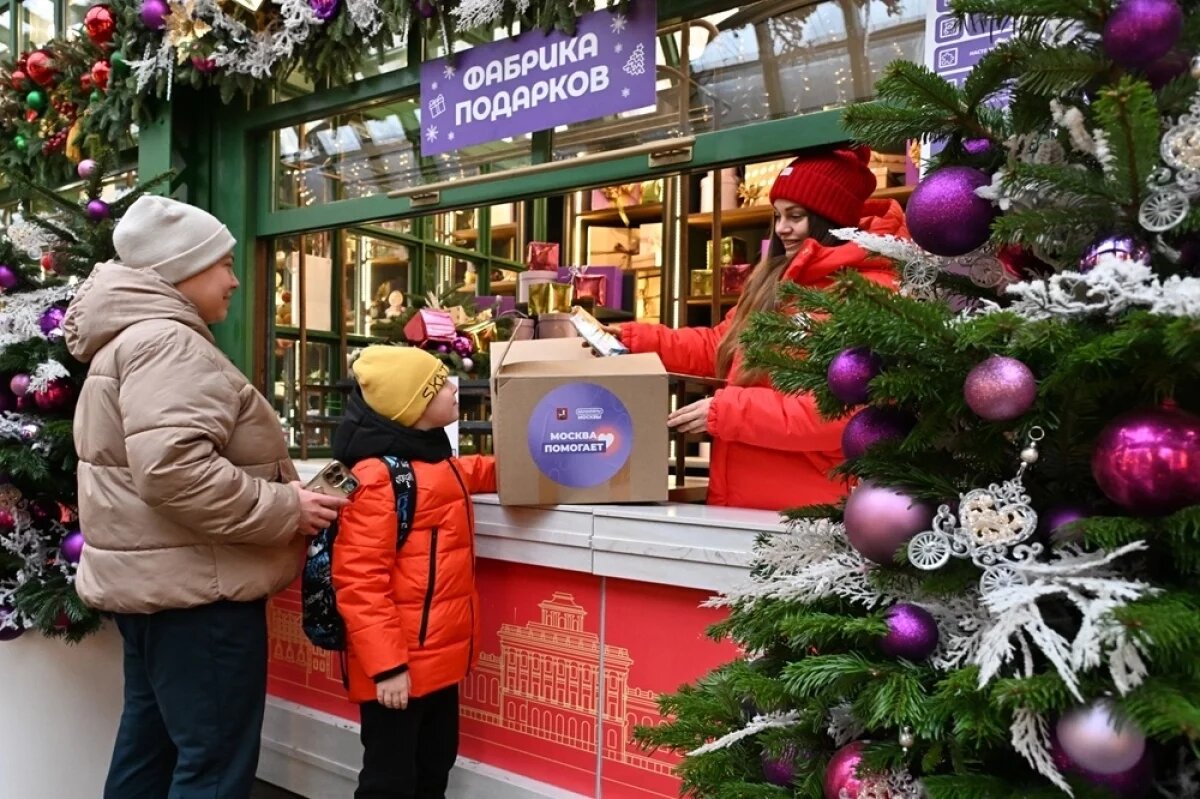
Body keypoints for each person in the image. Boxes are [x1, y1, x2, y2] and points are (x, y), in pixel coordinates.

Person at [64, 195, 350, 799]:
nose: (235, 280)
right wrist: (288, 508)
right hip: (200, 595)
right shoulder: (169, 343)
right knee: (213, 766)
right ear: (181, 268)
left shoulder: (131, 340)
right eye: (223, 263)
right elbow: (173, 470)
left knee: (150, 749)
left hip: (163, 589)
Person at [612, 147, 907, 510]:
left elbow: (841, 415)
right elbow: (722, 345)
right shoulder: (773, 279)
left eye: (795, 216)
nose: (782, 228)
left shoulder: (868, 292)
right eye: (777, 215)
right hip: (741, 504)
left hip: (807, 512)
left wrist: (729, 412)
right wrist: (634, 339)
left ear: (830, 218)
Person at [331, 345, 496, 799]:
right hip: (397, 669)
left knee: (433, 767)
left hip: (438, 662)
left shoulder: (437, 463)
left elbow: (477, 471)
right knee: (389, 780)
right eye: (439, 385)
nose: (453, 389)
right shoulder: (379, 480)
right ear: (414, 406)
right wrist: (387, 667)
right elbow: (360, 583)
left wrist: (545, 463)